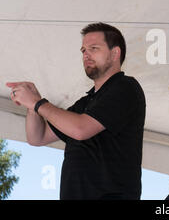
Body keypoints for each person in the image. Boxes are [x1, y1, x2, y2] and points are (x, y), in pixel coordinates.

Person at [7, 22, 146, 200]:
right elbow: (37, 137)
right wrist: (32, 107)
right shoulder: (85, 103)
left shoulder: (126, 88)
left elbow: (81, 130)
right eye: (83, 50)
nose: (86, 55)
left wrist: (37, 103)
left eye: (94, 48)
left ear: (115, 53)